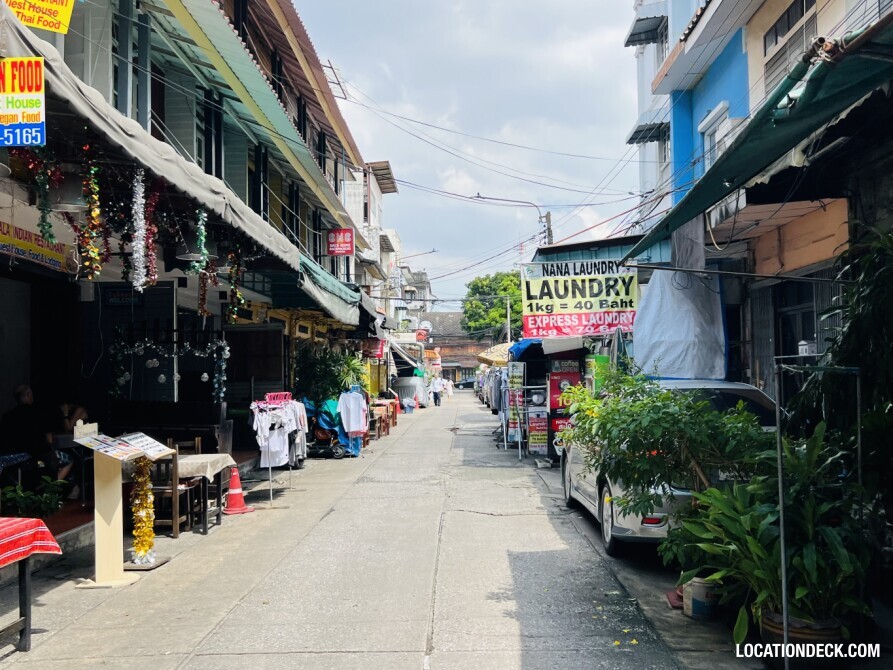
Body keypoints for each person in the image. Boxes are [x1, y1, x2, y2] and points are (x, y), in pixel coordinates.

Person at [0, 385, 73, 483]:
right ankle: (50, 486)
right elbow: (49, 440)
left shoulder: (6, 417)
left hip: (14, 459)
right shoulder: (39, 412)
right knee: (68, 460)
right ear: (28, 394)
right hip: (37, 457)